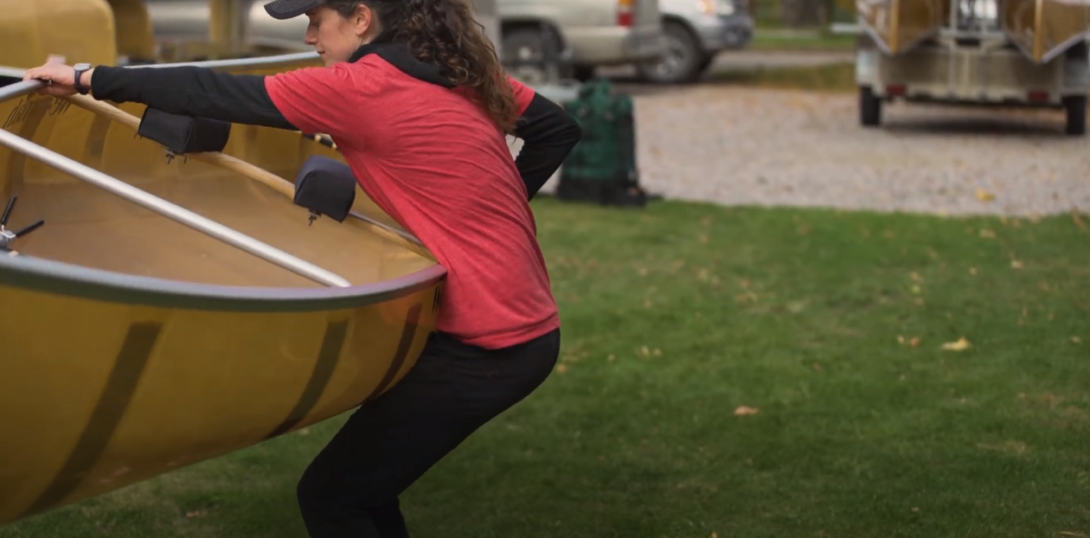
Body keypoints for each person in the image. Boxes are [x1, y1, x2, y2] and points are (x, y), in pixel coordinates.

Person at [25, 0, 582, 536]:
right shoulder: (456, 72)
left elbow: (211, 91)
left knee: (331, 498)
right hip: (516, 328)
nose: (310, 38)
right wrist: (482, 219)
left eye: (317, 21)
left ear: (362, 18)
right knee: (363, 489)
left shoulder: (359, 88)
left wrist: (85, 76)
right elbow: (556, 128)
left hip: (491, 347)